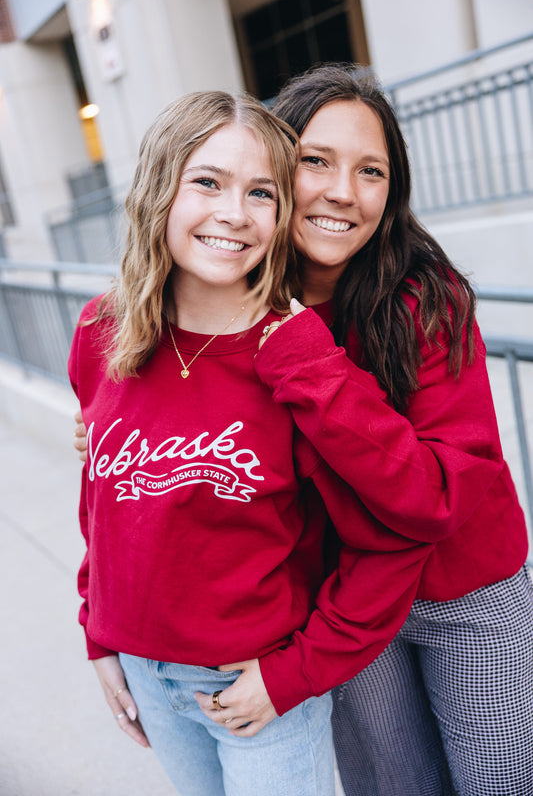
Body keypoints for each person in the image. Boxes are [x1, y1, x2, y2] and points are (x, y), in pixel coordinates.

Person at [69, 89, 432, 796]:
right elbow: (101, 504)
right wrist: (97, 632)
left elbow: (389, 539)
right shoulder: (100, 331)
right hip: (144, 672)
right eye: (206, 181)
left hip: (258, 691)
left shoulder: (299, 358)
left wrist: (293, 673)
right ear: (158, 188)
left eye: (261, 192)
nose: (233, 213)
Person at [251, 63, 532, 796]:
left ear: (391, 190)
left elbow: (436, 496)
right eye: (315, 160)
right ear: (274, 167)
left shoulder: (426, 301)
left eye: (369, 170)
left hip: (466, 594)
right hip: (348, 606)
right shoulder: (240, 303)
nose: (343, 191)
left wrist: (304, 359)